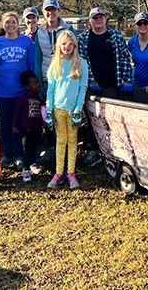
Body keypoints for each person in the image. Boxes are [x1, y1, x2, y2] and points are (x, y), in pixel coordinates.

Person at [78, 7, 133, 167]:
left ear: (105, 19)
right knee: (93, 120)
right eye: (95, 18)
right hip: (93, 87)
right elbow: (83, 62)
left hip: (112, 85)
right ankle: (95, 151)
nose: (98, 20)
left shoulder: (115, 35)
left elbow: (124, 57)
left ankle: (114, 151)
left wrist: (127, 79)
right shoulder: (84, 38)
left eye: (101, 17)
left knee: (114, 120)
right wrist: (91, 81)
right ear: (90, 21)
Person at [34, 0, 76, 165]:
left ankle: (66, 149)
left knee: (64, 115)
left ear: (58, 11)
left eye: (53, 10)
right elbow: (38, 59)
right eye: (47, 10)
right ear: (43, 13)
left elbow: (75, 55)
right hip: (46, 80)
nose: (50, 13)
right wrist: (39, 83)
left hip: (64, 81)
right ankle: (52, 147)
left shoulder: (68, 29)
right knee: (48, 116)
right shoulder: (40, 32)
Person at [0, 11, 35, 170]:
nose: (10, 25)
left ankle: (18, 155)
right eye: (7, 22)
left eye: (13, 22)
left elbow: (31, 65)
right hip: (1, 90)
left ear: (18, 24)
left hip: (20, 91)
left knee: (18, 123)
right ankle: (7, 154)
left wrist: (30, 89)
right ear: (3, 25)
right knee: (4, 123)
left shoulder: (26, 41)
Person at [46, 30, 88, 189]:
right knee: (60, 141)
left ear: (75, 45)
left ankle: (71, 173)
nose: (67, 47)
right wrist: (49, 111)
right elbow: (50, 90)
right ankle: (58, 173)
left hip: (73, 112)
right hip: (58, 109)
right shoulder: (55, 64)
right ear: (59, 45)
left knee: (72, 141)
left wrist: (78, 109)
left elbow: (83, 87)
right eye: (64, 44)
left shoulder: (81, 63)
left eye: (71, 44)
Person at [12, 70, 44, 182]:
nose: (38, 85)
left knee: (35, 147)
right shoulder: (23, 98)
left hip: (37, 128)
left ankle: (33, 164)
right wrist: (14, 125)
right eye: (34, 84)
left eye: (38, 82)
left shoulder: (39, 98)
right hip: (26, 129)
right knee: (27, 149)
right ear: (26, 87)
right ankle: (25, 169)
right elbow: (17, 112)